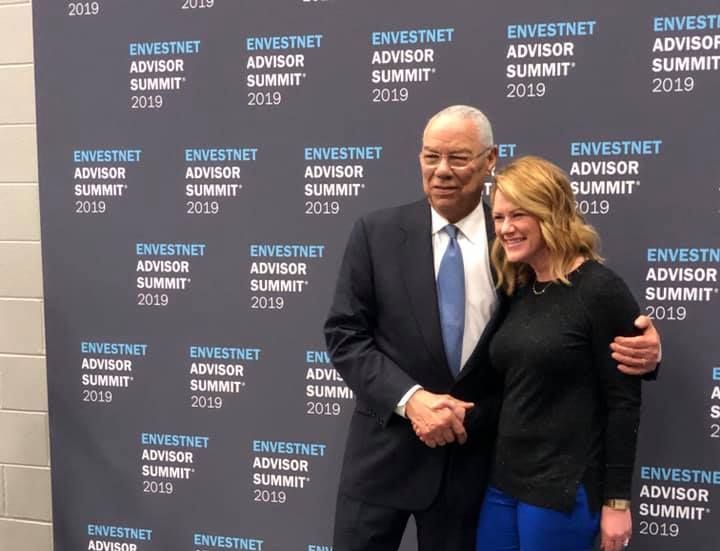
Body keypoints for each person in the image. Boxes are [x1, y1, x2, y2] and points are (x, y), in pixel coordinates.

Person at [324, 105, 659, 551]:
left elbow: (562, 324)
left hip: (472, 467)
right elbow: (345, 336)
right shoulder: (375, 232)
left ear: (489, 160)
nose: (442, 171)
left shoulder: (517, 237)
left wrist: (645, 353)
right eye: (430, 156)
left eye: (458, 158)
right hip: (383, 455)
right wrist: (412, 400)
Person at [475, 156, 643, 551]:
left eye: (518, 215)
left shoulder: (600, 290)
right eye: (498, 217)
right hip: (503, 483)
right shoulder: (518, 287)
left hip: (563, 491)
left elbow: (624, 404)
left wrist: (617, 501)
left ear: (550, 212)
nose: (505, 228)